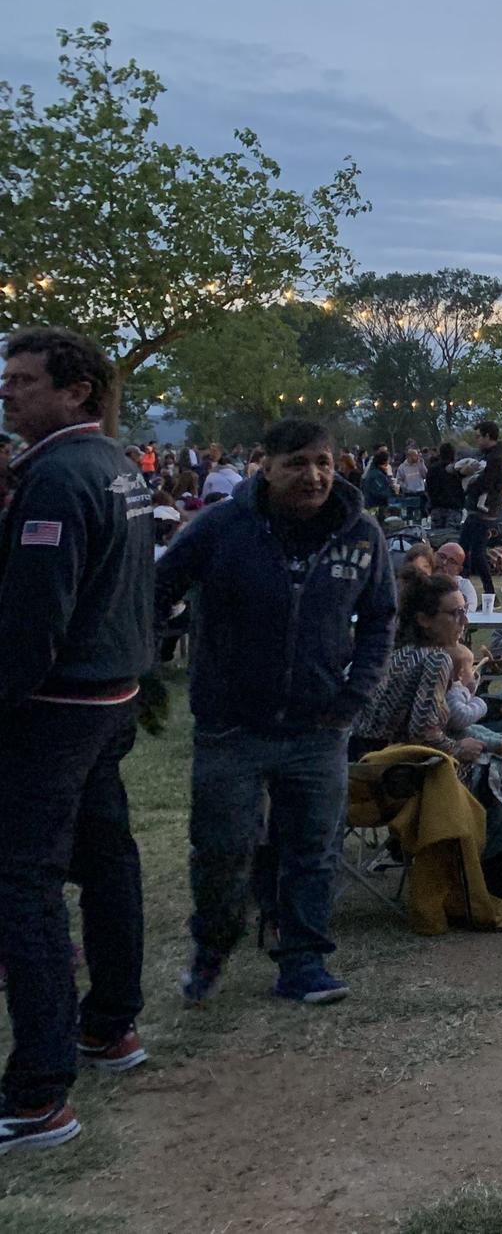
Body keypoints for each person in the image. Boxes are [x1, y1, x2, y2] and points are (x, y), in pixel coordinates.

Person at [155, 416, 395, 1009]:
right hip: (231, 725)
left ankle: (304, 963)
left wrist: (355, 693)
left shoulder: (361, 534)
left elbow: (382, 619)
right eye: (296, 464)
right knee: (222, 849)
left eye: (322, 461)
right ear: (266, 464)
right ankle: (211, 951)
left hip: (319, 725)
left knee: (313, 849)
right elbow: (157, 592)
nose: (313, 476)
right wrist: (148, 666)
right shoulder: (221, 526)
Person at [0, 329, 154, 1154]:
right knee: (105, 860)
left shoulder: (60, 476)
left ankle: (38, 1093)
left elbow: (31, 625)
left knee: (21, 885)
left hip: (56, 708)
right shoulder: (116, 466)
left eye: (23, 380)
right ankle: (111, 1027)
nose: (6, 392)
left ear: (77, 391)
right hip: (109, 696)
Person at [349, 573, 502, 899]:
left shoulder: (398, 652)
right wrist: (458, 747)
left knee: (495, 742)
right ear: (423, 619)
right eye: (454, 614)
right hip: (395, 772)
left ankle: (459, 861)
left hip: (359, 764)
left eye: (464, 611)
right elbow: (426, 731)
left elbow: (431, 718)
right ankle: (481, 870)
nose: (464, 621)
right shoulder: (437, 658)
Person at [455, 421, 502, 598]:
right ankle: (461, 588)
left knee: (475, 553)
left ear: (487, 436)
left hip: (485, 512)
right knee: (463, 550)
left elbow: (488, 483)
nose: (476, 440)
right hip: (479, 510)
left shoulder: (495, 459)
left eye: (479, 436)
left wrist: (469, 482)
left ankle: (490, 594)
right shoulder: (487, 456)